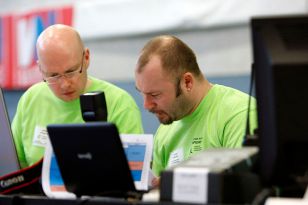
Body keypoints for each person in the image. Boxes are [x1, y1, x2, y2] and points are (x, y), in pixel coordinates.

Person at [12, 24, 143, 169]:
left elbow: (134, 172)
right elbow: (15, 168)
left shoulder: (119, 103)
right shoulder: (30, 100)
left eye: (71, 71)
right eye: (53, 76)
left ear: (86, 58)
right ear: (41, 70)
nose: (64, 84)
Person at [135, 35, 257, 177]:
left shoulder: (240, 114)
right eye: (142, 94)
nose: (147, 105)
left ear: (187, 82)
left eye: (155, 95)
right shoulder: (164, 132)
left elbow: (243, 189)